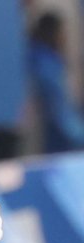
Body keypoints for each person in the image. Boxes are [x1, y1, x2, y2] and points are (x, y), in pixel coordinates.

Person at [27, 11, 84, 152]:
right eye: (62, 32)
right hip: (60, 149)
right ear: (52, 33)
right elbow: (62, 113)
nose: (65, 38)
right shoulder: (46, 65)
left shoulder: (44, 61)